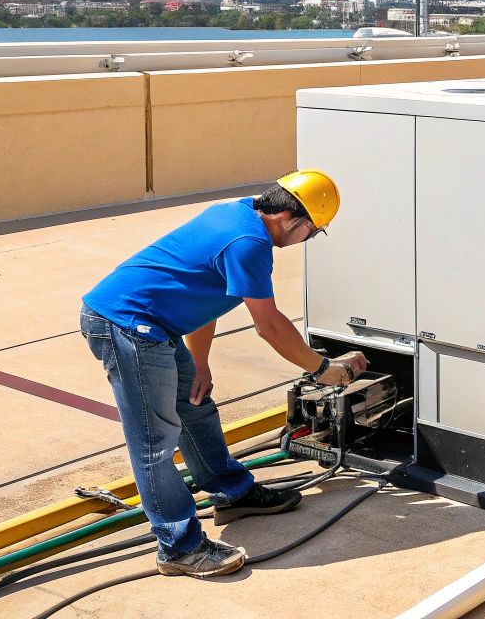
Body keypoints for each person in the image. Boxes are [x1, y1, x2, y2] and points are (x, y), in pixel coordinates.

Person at [79, 170, 368, 577]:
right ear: (290, 218)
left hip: (154, 326)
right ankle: (179, 548)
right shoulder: (248, 243)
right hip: (126, 326)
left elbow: (205, 294)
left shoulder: (239, 214)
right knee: (154, 444)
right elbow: (268, 324)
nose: (308, 241)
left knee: (194, 408)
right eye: (313, 232)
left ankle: (232, 492)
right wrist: (322, 368)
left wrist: (199, 361)